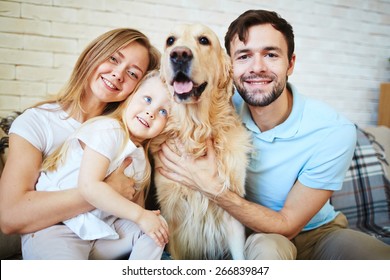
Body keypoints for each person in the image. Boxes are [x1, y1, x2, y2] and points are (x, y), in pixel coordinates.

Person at [157, 9, 390, 259]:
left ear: (290, 63)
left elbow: (288, 223)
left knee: (376, 258)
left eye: (270, 54)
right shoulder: (216, 109)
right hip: (260, 236)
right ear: (229, 67)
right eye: (244, 56)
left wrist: (211, 187)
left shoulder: (334, 131)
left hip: (320, 232)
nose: (257, 68)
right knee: (267, 250)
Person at [0, 28, 160, 248]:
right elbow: (10, 216)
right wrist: (105, 190)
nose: (118, 74)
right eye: (113, 58)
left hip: (109, 244)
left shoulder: (129, 135)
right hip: (57, 244)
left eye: (133, 73)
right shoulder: (38, 122)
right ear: (92, 54)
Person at [22, 70, 171, 259]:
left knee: (156, 228)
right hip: (59, 229)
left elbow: (132, 210)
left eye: (163, 112)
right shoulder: (108, 129)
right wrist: (140, 216)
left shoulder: (141, 157)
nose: (151, 112)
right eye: (147, 99)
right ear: (130, 97)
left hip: (100, 233)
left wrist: (146, 218)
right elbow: (89, 187)